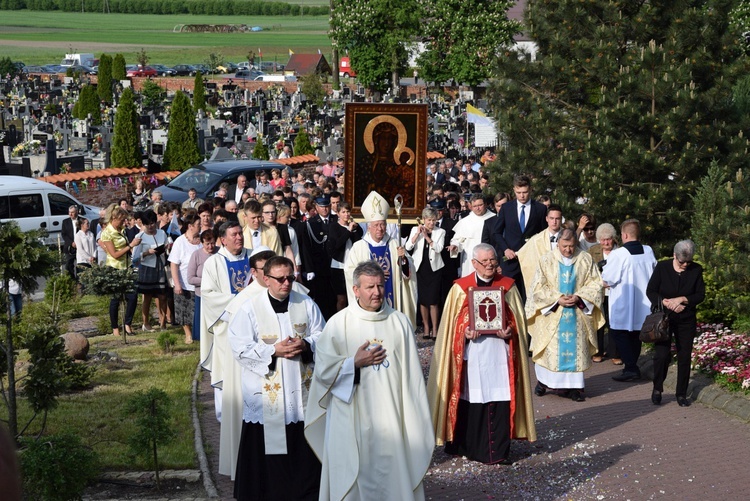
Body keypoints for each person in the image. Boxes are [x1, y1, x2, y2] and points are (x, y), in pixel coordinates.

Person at [304, 261, 434, 500]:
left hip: (392, 415)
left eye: (380, 286)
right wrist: (352, 363)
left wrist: (415, 418)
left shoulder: (399, 322)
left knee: (393, 476)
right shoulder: (338, 324)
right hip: (351, 415)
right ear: (355, 290)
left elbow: (412, 377)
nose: (376, 292)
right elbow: (323, 372)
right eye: (369, 287)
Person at [428, 243, 536, 465]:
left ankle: (498, 452)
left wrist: (510, 331)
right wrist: (465, 331)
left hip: (499, 355)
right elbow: (451, 327)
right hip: (472, 355)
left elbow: (518, 322)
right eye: (485, 261)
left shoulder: (508, 287)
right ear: (474, 263)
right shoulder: (460, 288)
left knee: (499, 397)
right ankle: (467, 446)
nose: (490, 265)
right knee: (472, 398)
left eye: (493, 260)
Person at [229, 256, 323, 500]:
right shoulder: (250, 308)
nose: (286, 283)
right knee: (268, 458)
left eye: (290, 278)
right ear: (266, 279)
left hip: (301, 396)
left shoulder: (306, 303)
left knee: (304, 454)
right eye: (280, 279)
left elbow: (324, 335)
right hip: (267, 397)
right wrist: (273, 351)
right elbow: (239, 347)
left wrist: (305, 344)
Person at [527, 229, 604, 402]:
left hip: (577, 314)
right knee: (549, 350)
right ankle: (543, 383)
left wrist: (579, 297)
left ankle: (574, 388)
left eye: (571, 246)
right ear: (558, 243)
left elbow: (596, 284)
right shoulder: (546, 260)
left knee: (575, 351)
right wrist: (557, 299)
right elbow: (538, 288)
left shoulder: (585, 259)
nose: (568, 250)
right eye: (564, 246)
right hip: (553, 314)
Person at [646, 239, 705, 407]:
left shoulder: (696, 270)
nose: (685, 264)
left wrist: (683, 300)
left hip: (686, 319)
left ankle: (681, 393)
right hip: (664, 319)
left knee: (684, 356)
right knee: (662, 355)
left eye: (688, 261)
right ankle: (657, 388)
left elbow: (700, 295)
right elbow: (651, 290)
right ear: (674, 255)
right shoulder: (662, 268)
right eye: (682, 261)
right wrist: (666, 302)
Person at [344, 191, 417, 327]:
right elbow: (350, 273)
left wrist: (404, 260)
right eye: (376, 225)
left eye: (383, 224)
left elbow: (409, 272)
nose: (380, 228)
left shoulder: (395, 244)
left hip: (393, 295)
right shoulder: (359, 247)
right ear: (369, 227)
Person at [601, 219, 657, 382]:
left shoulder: (618, 255)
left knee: (619, 333)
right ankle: (631, 366)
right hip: (644, 304)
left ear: (624, 235)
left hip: (624, 302)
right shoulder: (648, 251)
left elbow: (608, 279)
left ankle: (631, 367)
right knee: (636, 334)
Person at [484, 174, 548, 302]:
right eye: (519, 192)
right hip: (510, 261)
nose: (522, 196)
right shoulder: (507, 208)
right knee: (509, 296)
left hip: (531, 261)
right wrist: (506, 249)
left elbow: (544, 234)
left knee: (531, 296)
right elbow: (496, 232)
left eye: (525, 192)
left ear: (530, 190)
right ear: (514, 190)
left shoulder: (540, 209)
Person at [101, 205, 141, 337]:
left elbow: (127, 248)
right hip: (114, 268)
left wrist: (136, 252)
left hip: (126, 266)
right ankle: (115, 327)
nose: (124, 222)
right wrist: (130, 245)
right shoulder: (107, 233)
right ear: (114, 218)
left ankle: (127, 324)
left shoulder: (122, 230)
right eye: (122, 219)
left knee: (133, 296)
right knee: (116, 299)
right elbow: (114, 254)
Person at [405, 207, 445, 340]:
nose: (431, 223)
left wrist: (427, 237)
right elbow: (408, 247)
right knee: (422, 300)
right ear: (424, 220)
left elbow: (439, 248)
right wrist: (417, 235)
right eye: (429, 220)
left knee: (433, 300)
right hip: (420, 268)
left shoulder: (440, 232)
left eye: (434, 220)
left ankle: (435, 328)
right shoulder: (414, 230)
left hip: (434, 269)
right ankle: (426, 327)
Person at [587, 223, 620, 364]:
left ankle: (615, 353)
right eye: (603, 239)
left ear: (613, 238)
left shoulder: (620, 251)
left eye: (609, 239)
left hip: (615, 292)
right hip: (598, 292)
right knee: (598, 322)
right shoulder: (592, 251)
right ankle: (598, 351)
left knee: (614, 322)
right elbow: (587, 272)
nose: (606, 243)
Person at [517, 203, 564, 301]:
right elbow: (524, 255)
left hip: (563, 279)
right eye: (551, 218)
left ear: (561, 219)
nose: (554, 222)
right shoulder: (536, 239)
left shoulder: (569, 237)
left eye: (557, 219)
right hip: (544, 283)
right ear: (546, 219)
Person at [169, 213, 203, 343]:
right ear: (190, 226)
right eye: (198, 225)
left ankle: (199, 333)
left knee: (198, 311)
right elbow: (174, 264)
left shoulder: (201, 241)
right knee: (184, 310)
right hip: (184, 283)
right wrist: (177, 284)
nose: (200, 227)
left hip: (201, 283)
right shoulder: (180, 242)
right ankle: (188, 334)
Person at [301, 195, 337, 319]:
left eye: (327, 206)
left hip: (336, 265)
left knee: (336, 297)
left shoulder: (336, 219)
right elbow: (307, 248)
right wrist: (309, 268)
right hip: (320, 266)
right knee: (322, 297)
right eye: (322, 207)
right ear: (316, 207)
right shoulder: (311, 223)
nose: (325, 209)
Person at [133, 210, 169, 331]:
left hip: (160, 266)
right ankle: (146, 323)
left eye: (153, 223)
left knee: (162, 296)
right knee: (147, 296)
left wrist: (167, 248)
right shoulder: (139, 237)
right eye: (148, 224)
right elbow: (135, 258)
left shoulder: (162, 233)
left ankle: (163, 323)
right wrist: (147, 253)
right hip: (147, 268)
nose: (151, 226)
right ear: (143, 224)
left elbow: (167, 246)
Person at [326, 201, 363, 312]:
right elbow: (337, 244)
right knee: (341, 298)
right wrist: (348, 230)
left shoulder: (355, 227)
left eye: (348, 212)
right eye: (343, 212)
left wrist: (355, 229)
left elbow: (358, 241)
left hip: (353, 265)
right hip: (339, 266)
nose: (346, 214)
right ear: (338, 214)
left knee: (354, 296)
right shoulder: (334, 227)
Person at [448, 194, 495, 277]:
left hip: (489, 258)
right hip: (469, 258)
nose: (477, 208)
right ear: (470, 206)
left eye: (480, 205)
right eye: (475, 206)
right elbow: (458, 239)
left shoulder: (494, 218)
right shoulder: (466, 221)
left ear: (485, 204)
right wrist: (455, 245)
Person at [187, 229, 218, 339]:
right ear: (202, 243)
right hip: (202, 295)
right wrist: (207, 280)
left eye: (213, 243)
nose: (210, 247)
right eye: (207, 244)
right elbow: (190, 279)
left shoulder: (220, 252)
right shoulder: (196, 255)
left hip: (218, 295)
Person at [61, 205, 79, 278]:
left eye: (72, 212)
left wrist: (78, 243)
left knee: (80, 265)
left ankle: (79, 281)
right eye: (69, 212)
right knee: (68, 265)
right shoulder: (65, 222)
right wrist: (71, 243)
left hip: (80, 247)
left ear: (77, 212)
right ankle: (71, 280)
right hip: (69, 247)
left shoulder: (82, 220)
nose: (70, 214)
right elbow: (64, 234)